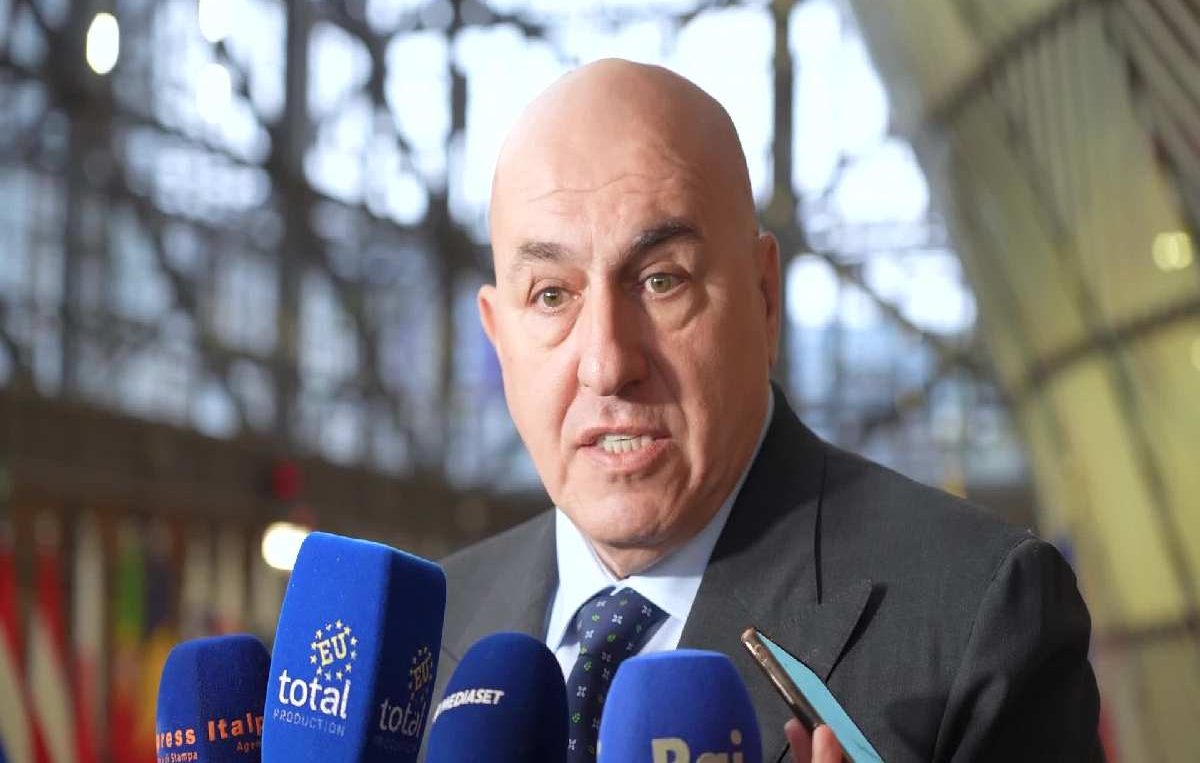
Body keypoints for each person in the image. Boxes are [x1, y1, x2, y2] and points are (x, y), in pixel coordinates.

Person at [427, 59, 1102, 762]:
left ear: (765, 298)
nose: (607, 363)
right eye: (551, 296)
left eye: (661, 281)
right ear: (498, 337)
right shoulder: (427, 627)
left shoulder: (979, 618)